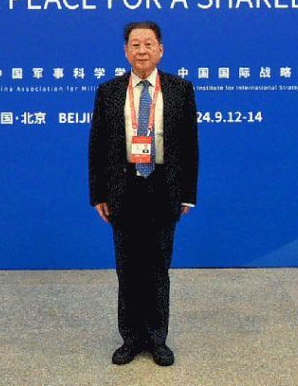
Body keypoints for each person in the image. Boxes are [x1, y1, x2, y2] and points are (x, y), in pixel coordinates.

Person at [88, 21, 199, 367]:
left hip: (164, 187)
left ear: (160, 50)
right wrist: (98, 193)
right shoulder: (109, 91)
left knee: (158, 269)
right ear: (126, 52)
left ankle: (157, 339)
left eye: (148, 44)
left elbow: (190, 146)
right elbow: (97, 146)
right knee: (128, 269)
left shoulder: (181, 89)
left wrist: (188, 194)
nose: (142, 51)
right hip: (124, 189)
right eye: (135, 45)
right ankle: (131, 338)